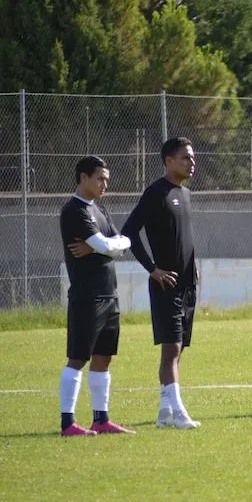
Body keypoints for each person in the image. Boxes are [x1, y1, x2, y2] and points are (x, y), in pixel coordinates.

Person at [121, 137, 201, 428]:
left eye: (192, 157)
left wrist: (193, 269)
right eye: (185, 158)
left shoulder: (185, 193)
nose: (191, 162)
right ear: (169, 161)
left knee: (179, 350)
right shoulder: (156, 192)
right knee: (171, 349)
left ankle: (165, 413)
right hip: (166, 285)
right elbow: (129, 232)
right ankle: (178, 413)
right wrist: (153, 270)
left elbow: (183, 239)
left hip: (187, 285)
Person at [59, 156, 135, 436]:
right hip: (87, 296)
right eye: (100, 179)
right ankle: (68, 423)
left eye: (107, 179)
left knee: (103, 358)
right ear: (83, 178)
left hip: (109, 295)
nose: (105, 184)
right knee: (78, 358)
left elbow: (124, 243)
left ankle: (100, 420)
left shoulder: (99, 208)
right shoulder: (74, 211)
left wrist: (98, 247)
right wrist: (104, 246)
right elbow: (107, 244)